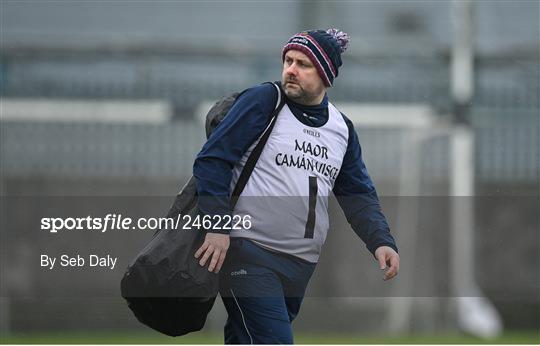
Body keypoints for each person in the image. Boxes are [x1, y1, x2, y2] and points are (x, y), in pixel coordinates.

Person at [193, 28, 399, 344]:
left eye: (303, 64)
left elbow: (357, 193)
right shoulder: (265, 101)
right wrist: (218, 226)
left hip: (300, 265)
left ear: (326, 75)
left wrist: (380, 240)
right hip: (249, 253)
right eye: (288, 60)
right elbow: (213, 159)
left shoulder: (341, 128)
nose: (291, 69)